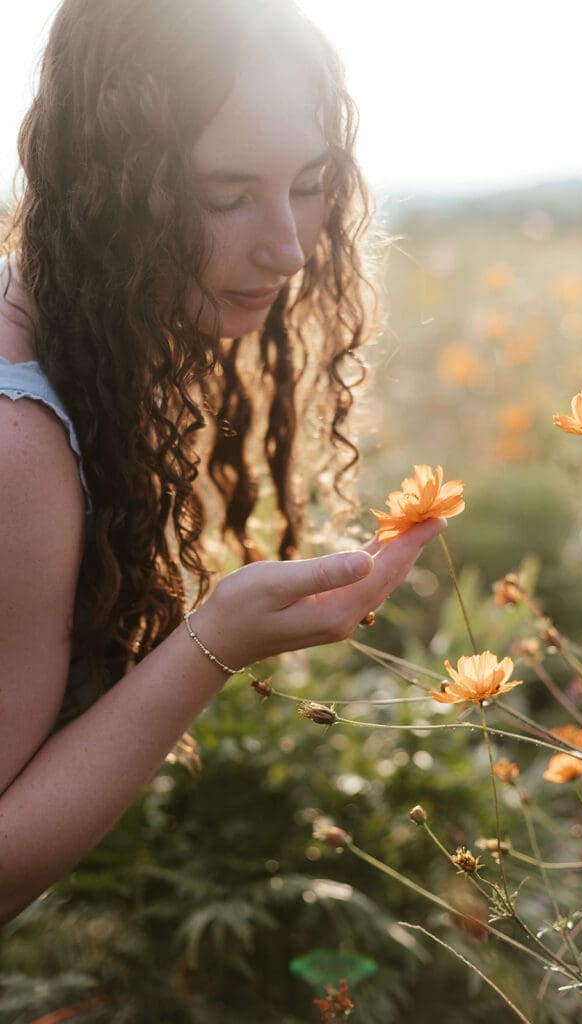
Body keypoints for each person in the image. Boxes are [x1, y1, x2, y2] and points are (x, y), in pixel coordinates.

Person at [0, 0, 445, 924]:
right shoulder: (17, 449)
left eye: (312, 182)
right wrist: (214, 643)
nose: (288, 246)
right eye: (226, 196)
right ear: (106, 191)